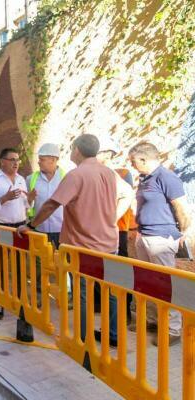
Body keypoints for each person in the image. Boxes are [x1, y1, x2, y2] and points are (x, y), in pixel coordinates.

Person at [18, 134, 132, 347]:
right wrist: (112, 218)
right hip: (109, 242)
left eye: (71, 149)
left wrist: (31, 225)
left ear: (77, 150)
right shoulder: (109, 173)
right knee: (110, 291)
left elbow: (53, 204)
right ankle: (113, 335)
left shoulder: (75, 175)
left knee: (82, 292)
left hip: (83, 245)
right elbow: (127, 194)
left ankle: (82, 337)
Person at [129, 142, 191, 347]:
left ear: (144, 159)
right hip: (145, 235)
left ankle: (173, 328)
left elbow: (182, 208)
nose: (132, 165)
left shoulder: (166, 177)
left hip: (161, 238)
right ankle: (153, 321)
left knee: (166, 284)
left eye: (134, 161)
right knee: (148, 282)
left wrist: (182, 233)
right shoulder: (145, 178)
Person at [0, 148, 32, 318]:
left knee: (20, 267)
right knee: (1, 267)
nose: (16, 163)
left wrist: (30, 199)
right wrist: (4, 198)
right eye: (12, 159)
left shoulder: (21, 180)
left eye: (17, 159)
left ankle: (19, 301)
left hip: (20, 228)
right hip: (2, 227)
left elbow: (25, 205)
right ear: (2, 161)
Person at [97, 137, 136, 322]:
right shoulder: (97, 172)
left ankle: (125, 311)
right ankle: (104, 306)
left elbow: (125, 196)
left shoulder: (121, 173)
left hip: (118, 229)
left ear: (106, 154)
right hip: (101, 230)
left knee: (120, 270)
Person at [26, 143, 65, 296]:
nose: (39, 162)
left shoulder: (66, 178)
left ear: (53, 160)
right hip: (39, 229)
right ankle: (39, 293)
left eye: (42, 159)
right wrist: (28, 199)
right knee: (38, 263)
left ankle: (66, 294)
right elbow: (25, 205)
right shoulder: (31, 179)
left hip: (61, 229)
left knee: (64, 263)